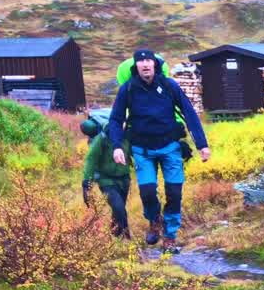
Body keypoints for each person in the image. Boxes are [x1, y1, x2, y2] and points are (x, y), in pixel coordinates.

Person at [106, 48, 210, 253]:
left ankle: (170, 237)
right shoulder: (127, 89)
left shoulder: (169, 85)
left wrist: (202, 145)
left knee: (174, 192)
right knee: (147, 191)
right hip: (142, 150)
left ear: (155, 64)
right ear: (135, 66)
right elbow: (116, 120)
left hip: (170, 148)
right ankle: (154, 220)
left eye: (149, 61)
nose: (145, 64)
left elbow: (189, 114)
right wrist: (117, 146)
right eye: (141, 62)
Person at [80, 110, 132, 239]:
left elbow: (137, 152)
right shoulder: (102, 138)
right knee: (119, 209)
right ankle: (127, 239)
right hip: (106, 180)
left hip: (124, 179)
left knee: (118, 211)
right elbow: (91, 159)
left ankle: (114, 237)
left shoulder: (127, 136)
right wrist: (87, 183)